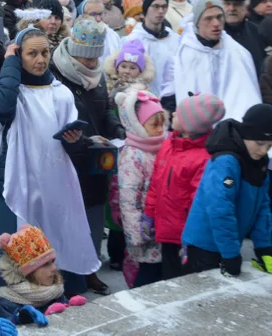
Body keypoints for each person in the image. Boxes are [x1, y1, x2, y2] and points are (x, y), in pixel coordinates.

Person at [0, 28, 101, 295]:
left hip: (54, 180)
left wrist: (72, 138)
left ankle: (60, 288)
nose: (41, 59)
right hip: (17, 178)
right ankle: (15, 295)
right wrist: (9, 65)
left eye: (45, 52)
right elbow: (1, 110)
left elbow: (68, 140)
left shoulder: (60, 93)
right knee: (17, 238)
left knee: (56, 231)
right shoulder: (6, 89)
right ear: (19, 56)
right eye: (32, 53)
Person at [48, 18, 122, 295]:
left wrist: (115, 128)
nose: (92, 64)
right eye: (86, 58)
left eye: (96, 58)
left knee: (93, 217)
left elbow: (104, 111)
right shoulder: (57, 75)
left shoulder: (98, 76)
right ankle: (64, 272)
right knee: (68, 220)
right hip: (68, 157)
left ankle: (90, 269)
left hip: (97, 157)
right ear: (73, 51)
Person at [181, 104, 272, 276]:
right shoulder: (226, 161)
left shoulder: (259, 162)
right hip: (204, 246)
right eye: (260, 143)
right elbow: (220, 209)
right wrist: (231, 254)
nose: (264, 151)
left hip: (225, 244)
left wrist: (263, 246)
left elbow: (262, 206)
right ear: (247, 135)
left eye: (270, 146)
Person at [143, 93, 226, 279]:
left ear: (191, 124)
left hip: (187, 237)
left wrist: (191, 237)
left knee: (184, 281)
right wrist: (149, 213)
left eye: (179, 114)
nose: (172, 114)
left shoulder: (203, 158)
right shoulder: (169, 145)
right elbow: (156, 183)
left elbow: (199, 203)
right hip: (166, 231)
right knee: (168, 277)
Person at [169, 0, 262, 122]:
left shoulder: (238, 52)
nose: (216, 24)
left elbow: (248, 96)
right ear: (197, 23)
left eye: (219, 17)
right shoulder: (184, 54)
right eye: (208, 18)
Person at [113, 89, 167, 288]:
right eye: (154, 125)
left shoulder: (159, 147)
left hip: (159, 225)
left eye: (163, 123)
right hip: (144, 232)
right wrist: (136, 236)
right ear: (138, 125)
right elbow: (128, 200)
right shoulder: (133, 155)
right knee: (147, 274)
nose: (160, 129)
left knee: (158, 272)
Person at [0, 226, 86, 324]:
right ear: (27, 273)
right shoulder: (7, 305)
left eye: (52, 262)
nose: (54, 268)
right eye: (45, 264)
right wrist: (21, 319)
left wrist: (72, 310)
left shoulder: (56, 293)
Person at [121, 0, 178, 100]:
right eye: (156, 6)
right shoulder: (132, 40)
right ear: (146, 9)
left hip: (172, 102)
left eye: (164, 7)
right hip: (144, 101)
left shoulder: (175, 39)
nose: (161, 11)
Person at [218, 0, 265, 78]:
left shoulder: (256, 31)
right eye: (227, 4)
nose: (232, 8)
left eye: (237, 4)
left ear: (246, 8)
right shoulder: (214, 33)